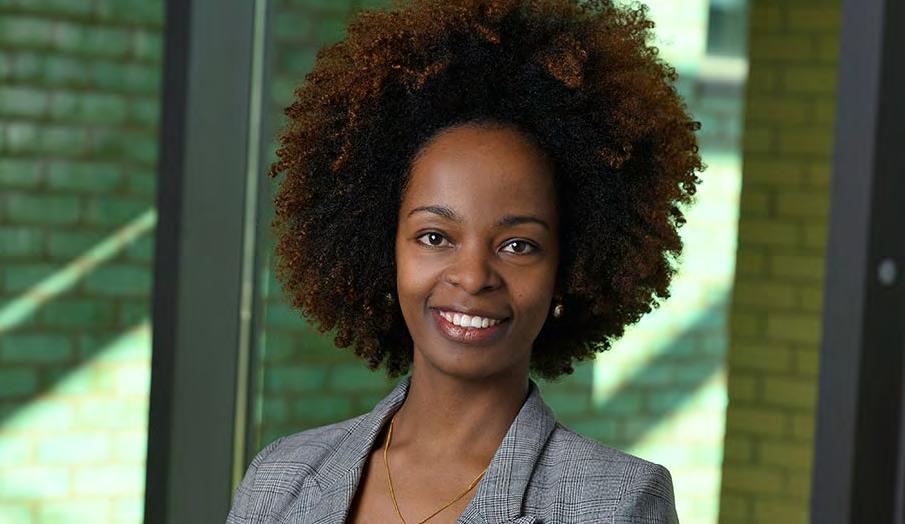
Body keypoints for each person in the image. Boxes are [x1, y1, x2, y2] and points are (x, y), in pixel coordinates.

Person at [227, 0, 703, 522]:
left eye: (518, 245)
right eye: (435, 237)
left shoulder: (616, 502)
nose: (473, 277)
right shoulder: (281, 479)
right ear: (384, 248)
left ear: (567, 271)